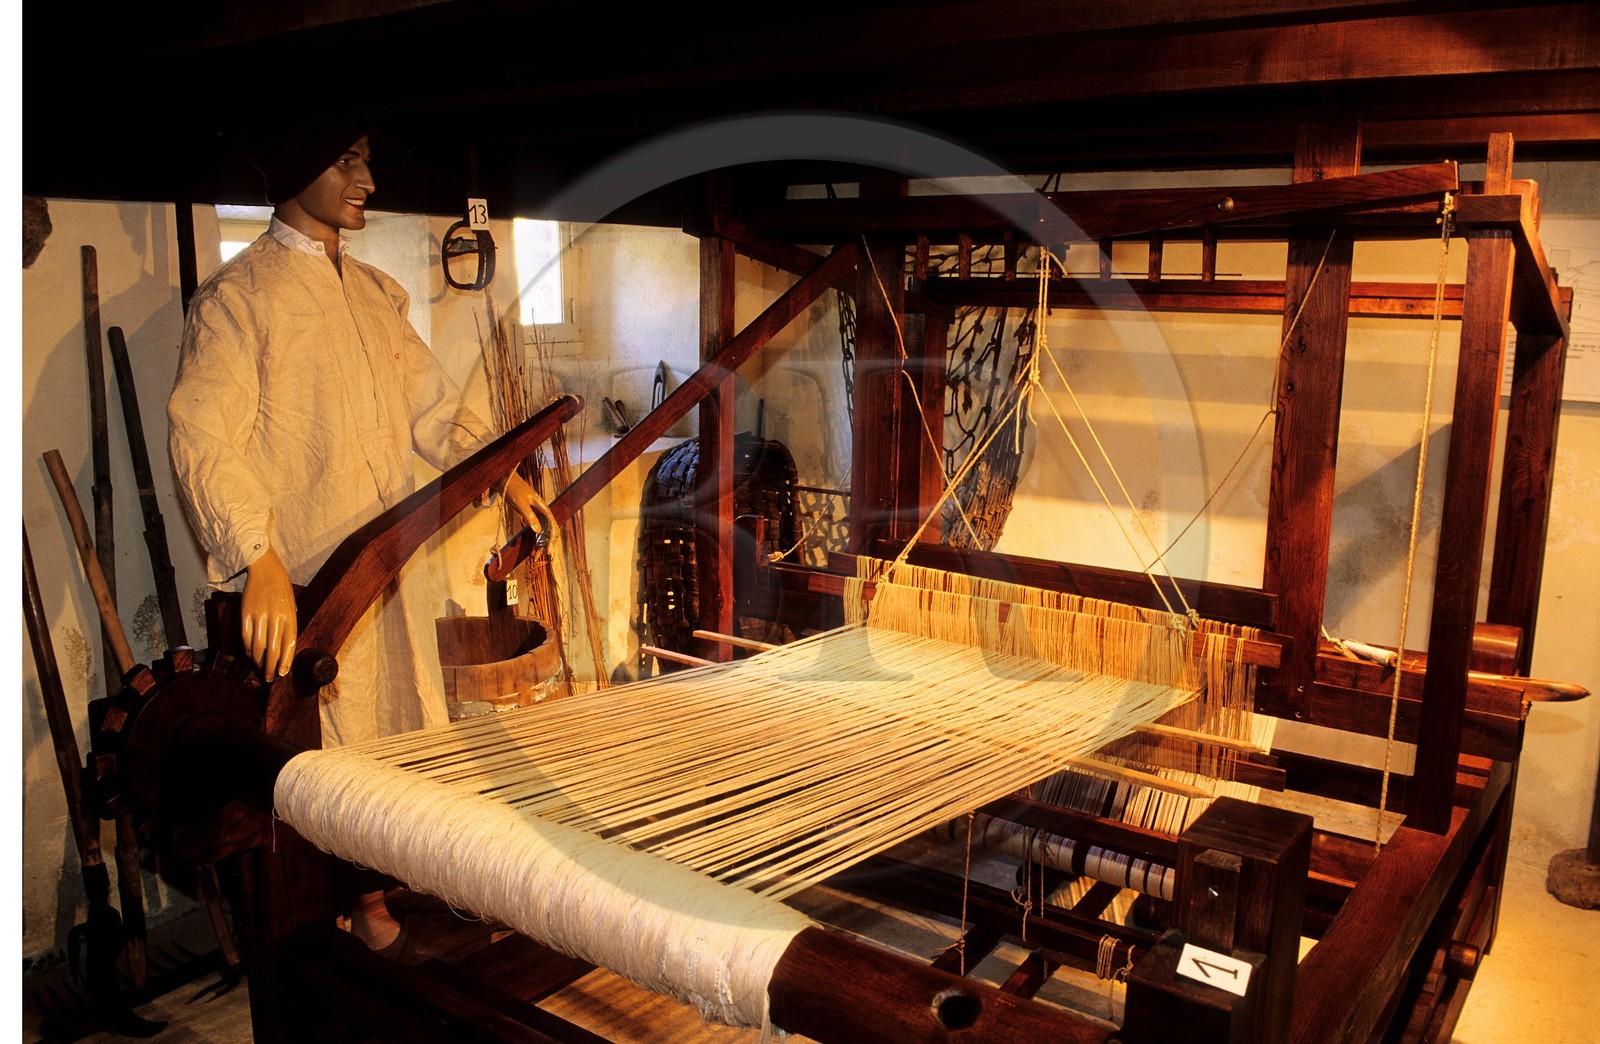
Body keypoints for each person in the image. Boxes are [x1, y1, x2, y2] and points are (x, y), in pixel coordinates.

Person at [168, 118, 553, 949]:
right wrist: (256, 557)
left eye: (367, 161)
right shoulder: (239, 302)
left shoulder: (378, 296)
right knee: (327, 747)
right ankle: (356, 903)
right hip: (312, 576)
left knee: (403, 720)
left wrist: (503, 472)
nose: (366, 179)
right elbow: (202, 436)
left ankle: (400, 879)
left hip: (388, 565)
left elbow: (436, 410)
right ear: (298, 165)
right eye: (346, 160)